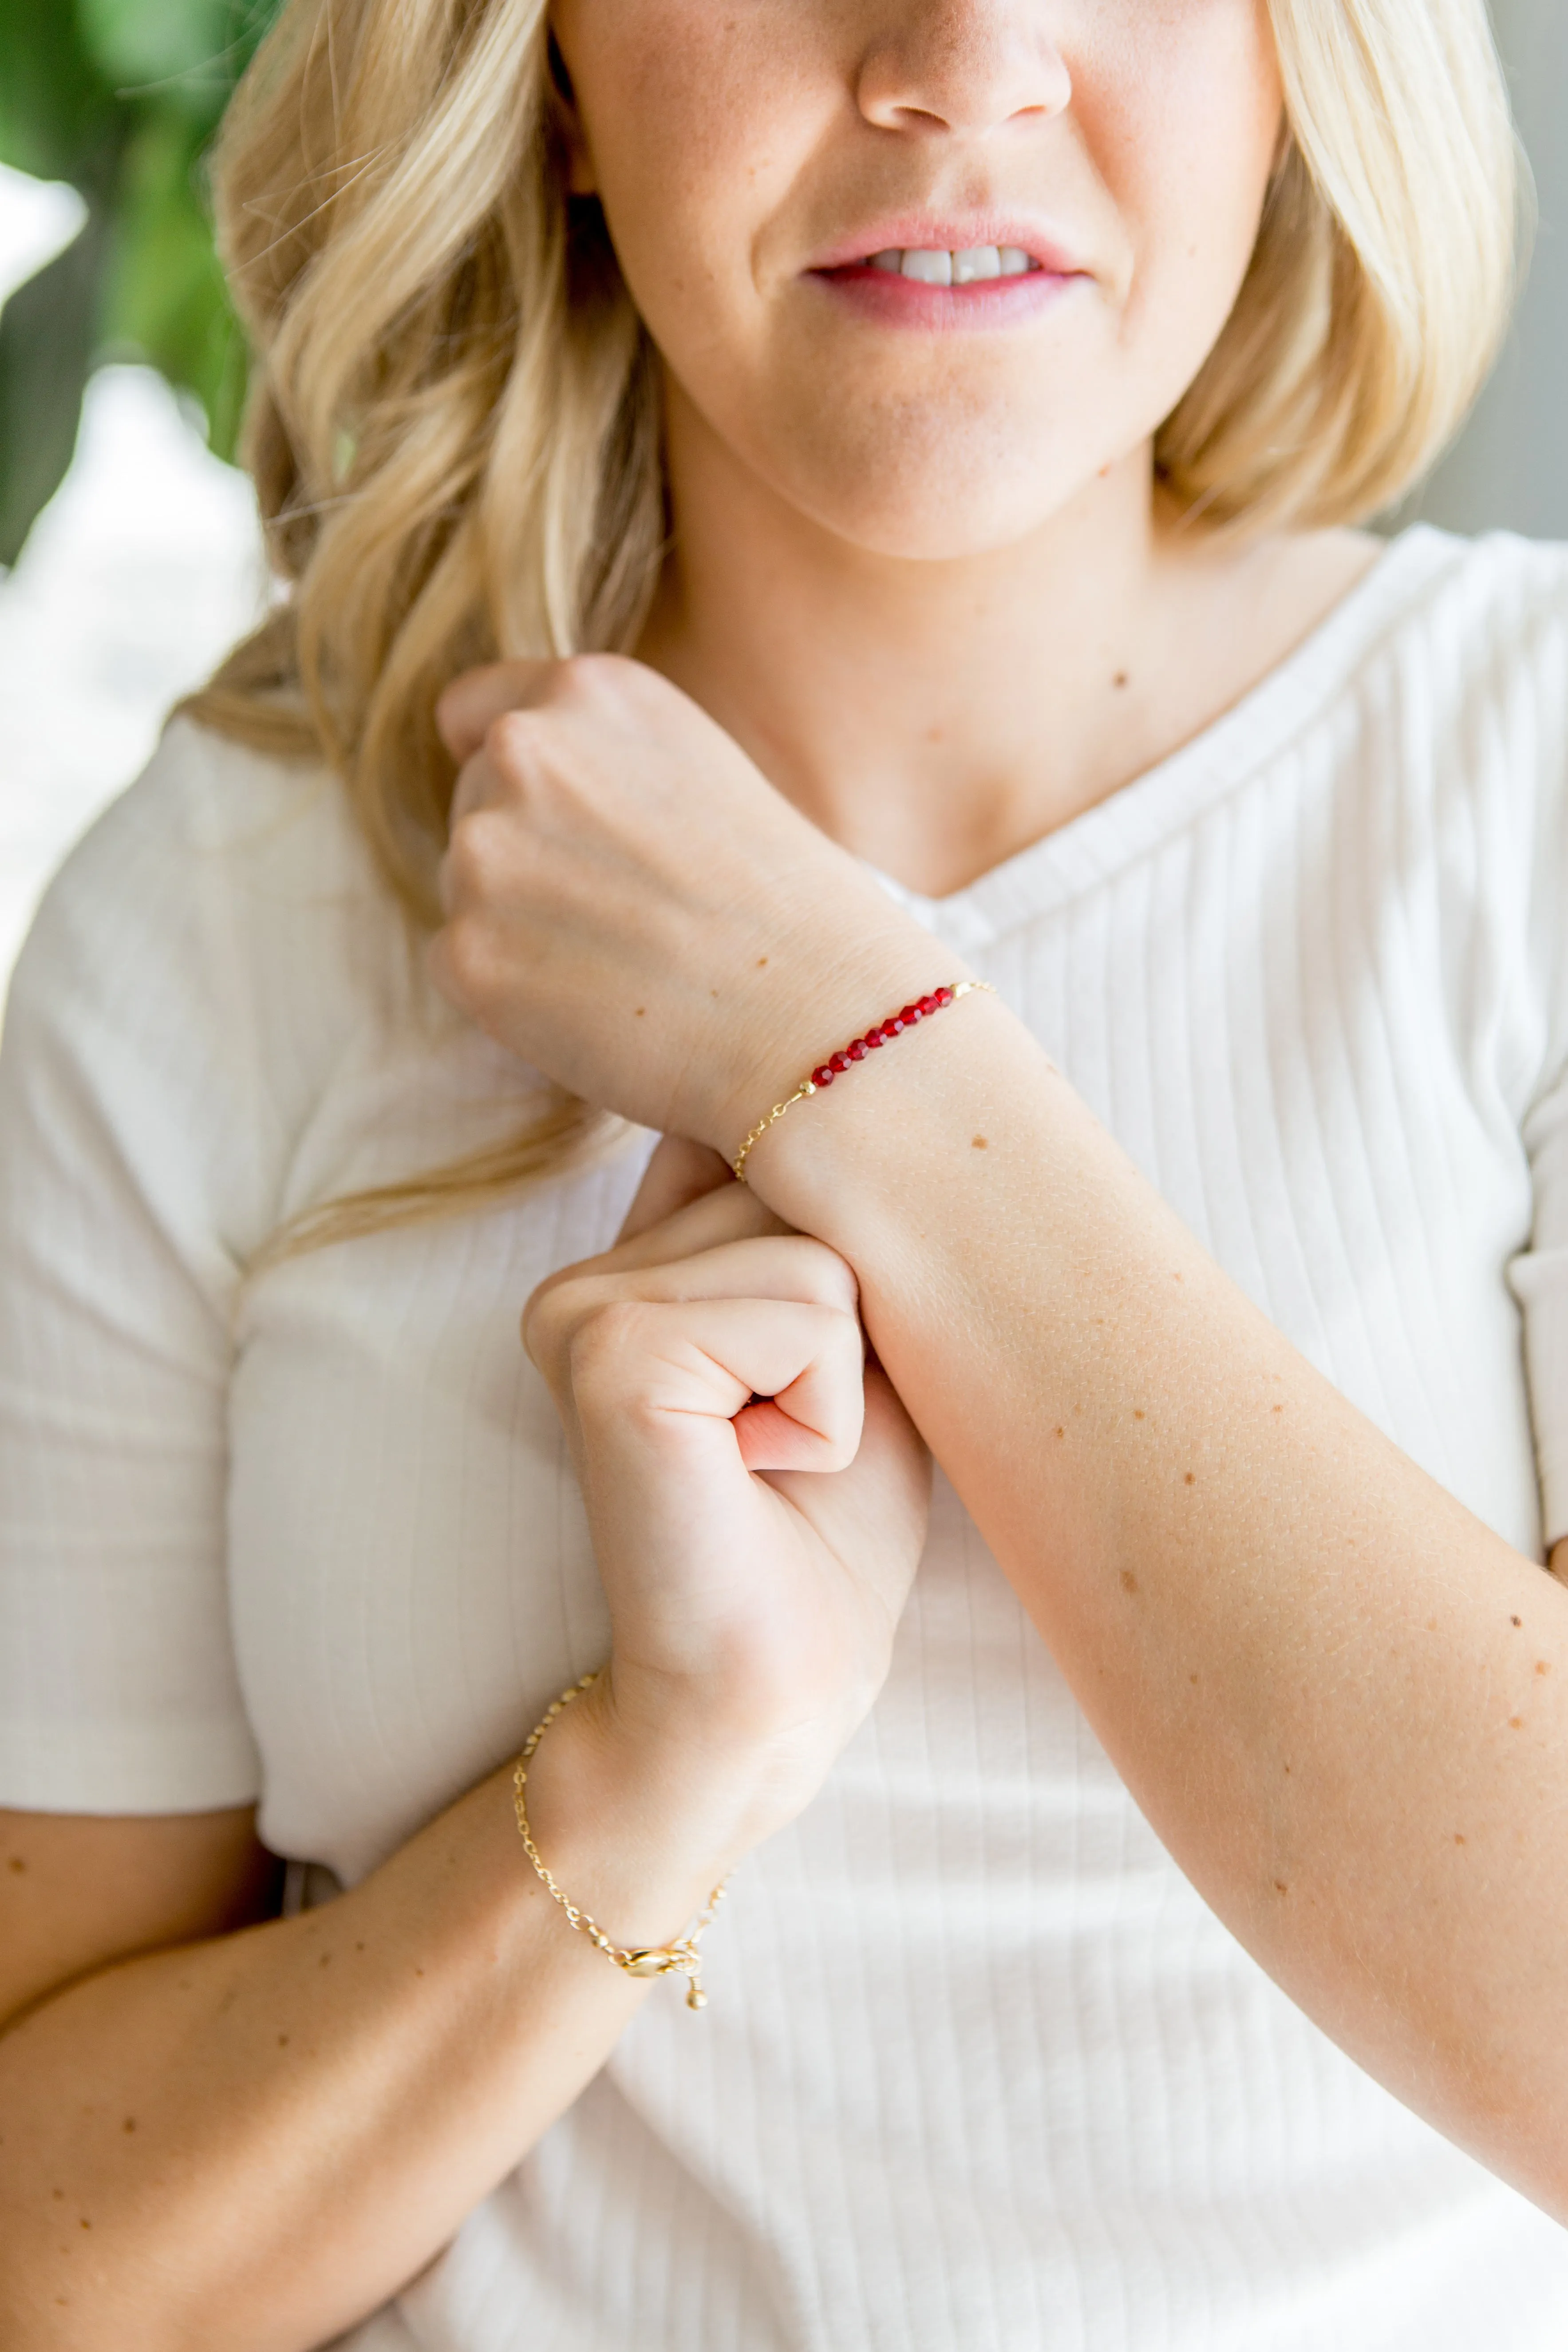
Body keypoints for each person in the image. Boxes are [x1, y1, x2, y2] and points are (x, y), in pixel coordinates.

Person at [2, 0, 1566, 2342]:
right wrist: (661, 1769)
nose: (961, 62)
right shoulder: (217, 921)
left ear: (1300, 68)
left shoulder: (1521, 785)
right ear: (539, 72)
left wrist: (854, 1056)